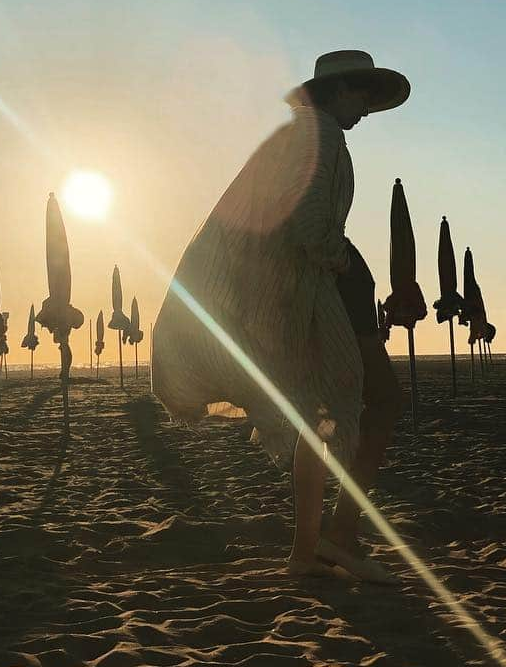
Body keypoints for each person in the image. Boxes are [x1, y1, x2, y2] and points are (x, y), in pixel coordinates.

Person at [151, 49, 408, 579]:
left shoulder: (295, 139)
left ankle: (308, 550)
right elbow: (310, 227)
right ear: (337, 92)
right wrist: (344, 264)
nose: (363, 107)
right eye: (360, 94)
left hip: (312, 292)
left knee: (318, 419)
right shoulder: (324, 140)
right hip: (327, 292)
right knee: (377, 402)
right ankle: (337, 536)